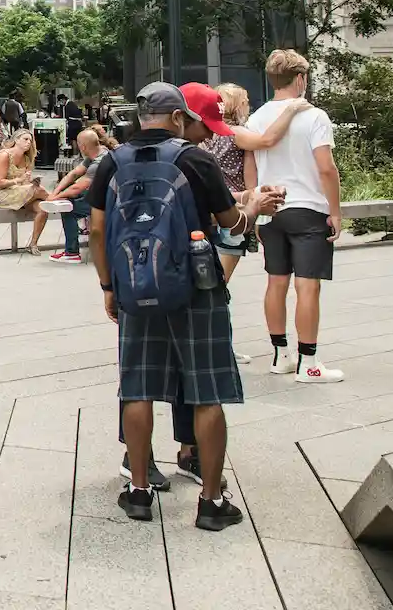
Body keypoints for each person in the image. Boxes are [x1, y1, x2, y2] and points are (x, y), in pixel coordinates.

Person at [90, 82, 280, 530]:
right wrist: (252, 205)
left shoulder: (110, 163)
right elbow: (231, 222)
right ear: (177, 118)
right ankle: (212, 503)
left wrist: (109, 286)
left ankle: (138, 491)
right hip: (196, 286)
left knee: (136, 386)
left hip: (135, 286)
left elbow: (97, 231)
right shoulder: (196, 159)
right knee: (207, 392)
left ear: (140, 119)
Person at [246, 50, 345, 384]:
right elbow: (326, 168)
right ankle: (310, 364)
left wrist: (256, 204)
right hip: (308, 209)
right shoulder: (314, 116)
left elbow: (251, 166)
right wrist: (335, 211)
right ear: (300, 78)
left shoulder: (257, 118)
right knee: (308, 286)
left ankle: (281, 356)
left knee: (276, 281)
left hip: (270, 209)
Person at [192, 82, 307, 285]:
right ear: (237, 106)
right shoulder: (235, 133)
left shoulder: (202, 137)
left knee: (204, 275)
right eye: (245, 102)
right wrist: (291, 109)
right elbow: (266, 141)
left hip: (209, 211)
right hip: (234, 211)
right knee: (218, 282)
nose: (248, 106)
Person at [38, 126, 111, 263]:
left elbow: (78, 187)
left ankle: (72, 253)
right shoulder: (99, 152)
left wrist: (55, 197)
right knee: (69, 197)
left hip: (108, 202)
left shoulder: (99, 162)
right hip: (101, 194)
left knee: (69, 210)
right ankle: (72, 247)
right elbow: (73, 174)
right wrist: (56, 193)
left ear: (82, 147)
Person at [0, 128, 53, 252]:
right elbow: (0, 183)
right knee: (39, 191)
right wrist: (20, 181)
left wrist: (31, 181)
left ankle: (33, 244)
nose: (29, 142)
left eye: (30, 140)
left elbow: (24, 181)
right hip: (3, 194)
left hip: (19, 192)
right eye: (25, 139)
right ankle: (56, 199)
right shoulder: (4, 155)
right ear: (16, 140)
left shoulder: (26, 158)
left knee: (42, 209)